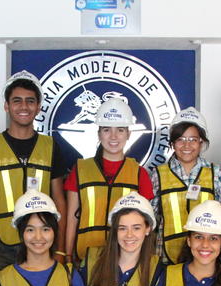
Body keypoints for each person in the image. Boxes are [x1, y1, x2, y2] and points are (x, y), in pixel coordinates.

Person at [0, 70, 68, 269]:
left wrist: (60, 249)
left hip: (41, 244)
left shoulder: (51, 146)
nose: (24, 107)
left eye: (30, 101)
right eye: (17, 101)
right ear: (6, 106)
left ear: (38, 107)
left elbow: (60, 200)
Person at [64, 97, 154, 263]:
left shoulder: (139, 174)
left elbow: (146, 224)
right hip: (84, 258)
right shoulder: (80, 170)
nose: (113, 136)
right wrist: (68, 256)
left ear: (128, 134)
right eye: (106, 130)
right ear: (99, 134)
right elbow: (72, 217)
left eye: (120, 130)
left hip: (125, 260)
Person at [151, 107, 221, 264]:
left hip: (205, 256)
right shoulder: (158, 174)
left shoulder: (214, 172)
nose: (186, 145)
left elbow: (220, 217)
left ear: (201, 142)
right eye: (180, 139)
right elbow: (151, 219)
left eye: (193, 139)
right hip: (166, 257)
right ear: (172, 143)